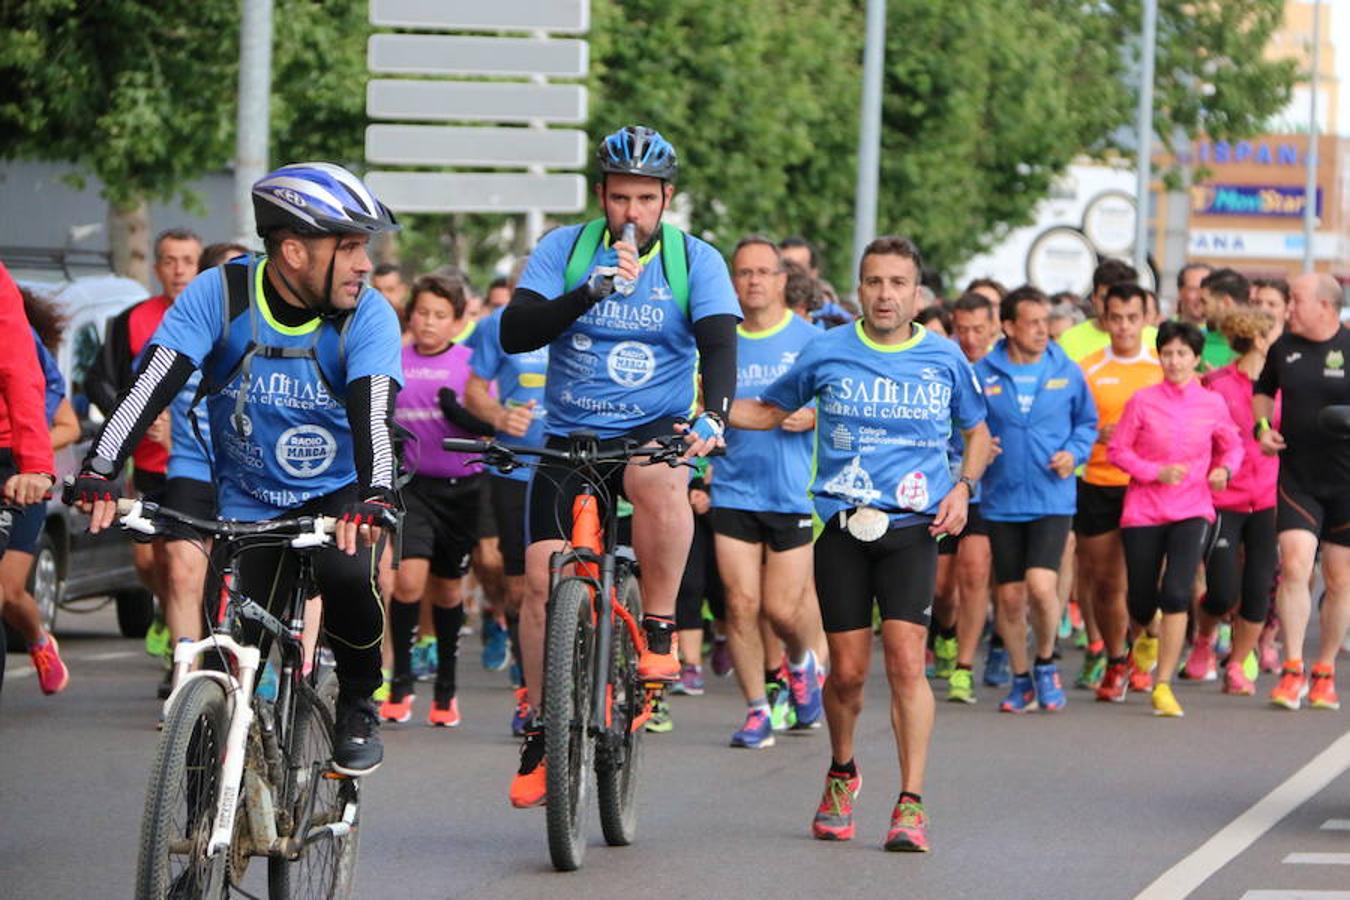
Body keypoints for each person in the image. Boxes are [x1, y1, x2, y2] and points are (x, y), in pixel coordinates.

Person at [67, 162, 404, 775]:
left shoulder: (368, 314)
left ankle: (358, 698)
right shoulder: (219, 293)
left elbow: (374, 412)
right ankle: (200, 821)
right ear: (295, 251)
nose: (364, 264)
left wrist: (377, 491)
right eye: (350, 247)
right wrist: (100, 467)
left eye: (365, 248)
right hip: (249, 494)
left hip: (341, 489)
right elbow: (152, 384)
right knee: (230, 658)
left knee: (347, 574)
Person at [498, 125, 738, 807]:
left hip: (652, 425)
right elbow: (516, 333)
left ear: (666, 199)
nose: (631, 212)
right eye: (619, 197)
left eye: (644, 198)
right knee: (545, 580)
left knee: (658, 478)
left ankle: (658, 626)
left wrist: (713, 416)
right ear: (600, 197)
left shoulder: (695, 260)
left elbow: (719, 345)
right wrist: (587, 294)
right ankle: (545, 727)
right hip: (571, 430)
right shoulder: (564, 250)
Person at [733, 235, 991, 853]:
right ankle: (842, 773)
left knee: (905, 661)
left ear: (917, 292)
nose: (884, 294)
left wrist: (962, 489)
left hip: (913, 526)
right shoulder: (827, 351)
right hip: (844, 527)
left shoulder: (944, 357)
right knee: (846, 675)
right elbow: (769, 412)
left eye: (897, 283)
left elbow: (978, 433)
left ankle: (911, 802)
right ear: (858, 287)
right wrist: (698, 407)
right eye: (874, 282)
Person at [712, 235, 824, 749]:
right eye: (743, 273)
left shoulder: (809, 339)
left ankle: (801, 664)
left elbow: (840, 402)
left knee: (782, 610)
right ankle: (757, 709)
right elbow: (698, 398)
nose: (753, 281)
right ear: (732, 282)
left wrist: (816, 414)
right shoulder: (720, 340)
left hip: (791, 492)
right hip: (733, 487)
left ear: (782, 280)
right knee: (739, 604)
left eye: (763, 272)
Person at [1108, 321, 1242, 717]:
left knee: (1178, 592)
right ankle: (1147, 635)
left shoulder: (1212, 403)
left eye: (1183, 354)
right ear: (1159, 356)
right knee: (1141, 598)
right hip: (1144, 509)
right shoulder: (1142, 401)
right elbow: (1118, 450)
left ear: (1196, 358)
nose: (1174, 361)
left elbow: (1231, 446)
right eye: (1167, 353)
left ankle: (1162, 684)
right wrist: (1154, 472)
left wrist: (1224, 471)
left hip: (1192, 508)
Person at [975, 286, 1097, 713]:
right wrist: (977, 448)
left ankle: (1046, 660)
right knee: (1008, 598)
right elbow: (964, 427)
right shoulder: (983, 372)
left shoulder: (1067, 370)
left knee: (1042, 587)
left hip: (1052, 497)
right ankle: (1021, 676)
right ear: (1008, 327)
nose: (1043, 330)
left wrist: (1074, 453)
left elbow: (1087, 423)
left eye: (1046, 322)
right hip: (1002, 498)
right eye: (1033, 323)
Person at [84, 228, 202, 651]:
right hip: (149, 463)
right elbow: (98, 380)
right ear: (156, 269)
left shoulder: (214, 318)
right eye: (170, 261)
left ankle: (180, 646)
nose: (179, 270)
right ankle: (165, 605)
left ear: (200, 266)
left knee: (181, 564)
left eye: (188, 261)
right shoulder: (133, 319)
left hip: (195, 463)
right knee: (147, 560)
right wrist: (135, 418)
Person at [379, 273, 488, 728]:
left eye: (440, 315)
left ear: (458, 321)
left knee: (447, 592)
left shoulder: (471, 364)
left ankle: (446, 689)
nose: (429, 322)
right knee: (407, 584)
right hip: (413, 487)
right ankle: (401, 683)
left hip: (463, 491)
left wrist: (462, 416)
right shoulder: (394, 360)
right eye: (422, 312)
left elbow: (490, 425)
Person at [150, 241, 252, 703]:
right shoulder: (185, 325)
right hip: (191, 465)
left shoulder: (272, 332)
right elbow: (146, 385)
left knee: (242, 585)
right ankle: (185, 685)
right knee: (181, 571)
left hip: (252, 475)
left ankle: (249, 676)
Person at [1254, 273, 1350, 710]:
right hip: (1298, 477)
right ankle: (1292, 669)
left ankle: (1324, 670)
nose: (1288, 308)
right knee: (1294, 566)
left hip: (1346, 483)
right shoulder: (1283, 348)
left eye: (1296, 300)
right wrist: (1261, 428)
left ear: (1326, 306)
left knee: (1339, 579)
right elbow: (1262, 391)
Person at [1077, 284, 1163, 701]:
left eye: (1133, 318)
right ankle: (1116, 660)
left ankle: (1145, 651)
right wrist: (1097, 433)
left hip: (1148, 488)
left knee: (1147, 583)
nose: (1125, 326)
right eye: (1117, 318)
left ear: (1146, 318)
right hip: (1100, 484)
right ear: (1104, 319)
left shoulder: (1161, 366)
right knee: (1107, 583)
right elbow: (1068, 424)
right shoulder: (1087, 368)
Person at [1191, 308, 1281, 693]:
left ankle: (1237, 666)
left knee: (1259, 590)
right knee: (1223, 589)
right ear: (1259, 339)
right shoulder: (1216, 383)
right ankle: (1204, 641)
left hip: (1269, 498)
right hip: (1224, 498)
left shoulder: (1284, 387)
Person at [1, 286, 77, 695]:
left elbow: (69, 425)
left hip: (16, 471)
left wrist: (32, 464)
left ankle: (38, 640)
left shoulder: (24, 344)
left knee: (9, 591)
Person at [944, 292, 1000, 698]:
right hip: (940, 487)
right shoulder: (943, 363)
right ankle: (944, 632)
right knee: (940, 588)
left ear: (995, 327)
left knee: (976, 571)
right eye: (962, 329)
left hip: (986, 492)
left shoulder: (1005, 369)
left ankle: (964, 666)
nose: (970, 337)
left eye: (978, 329)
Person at [1057, 259, 1152, 363]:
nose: (1111, 306)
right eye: (1105, 298)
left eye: (1120, 300)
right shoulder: (1069, 340)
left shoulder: (1155, 340)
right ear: (1094, 297)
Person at [1199, 267, 1250, 371]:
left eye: (1205, 302)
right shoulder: (1197, 342)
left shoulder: (1259, 345)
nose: (1201, 309)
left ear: (1226, 302)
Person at [1175, 263, 1213, 328]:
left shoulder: (1227, 335)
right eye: (1194, 289)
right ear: (1180, 292)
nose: (1201, 296)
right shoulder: (1162, 331)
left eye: (1207, 289)